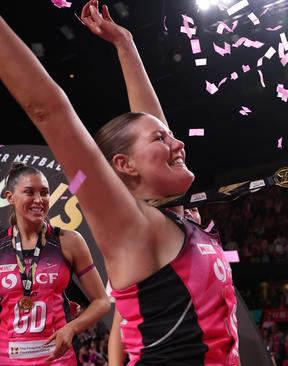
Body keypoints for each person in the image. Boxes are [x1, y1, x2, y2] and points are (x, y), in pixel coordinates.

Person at [0, 2, 239, 364]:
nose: (178, 144)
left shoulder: (170, 215)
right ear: (124, 165)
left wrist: (126, 44)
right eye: (162, 140)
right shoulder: (133, 228)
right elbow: (48, 109)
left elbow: (150, 123)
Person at [0, 163, 110, 364]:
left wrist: (72, 327)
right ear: (10, 197)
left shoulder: (69, 240)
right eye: (29, 192)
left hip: (58, 360)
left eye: (44, 192)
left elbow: (102, 301)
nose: (39, 200)